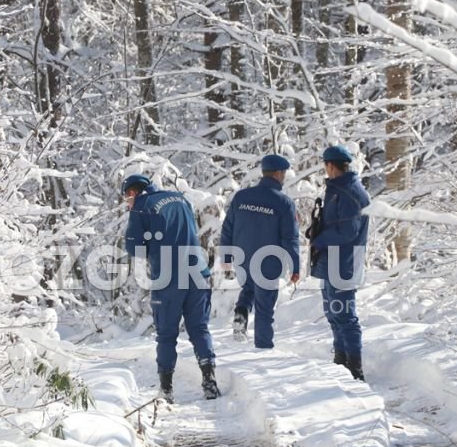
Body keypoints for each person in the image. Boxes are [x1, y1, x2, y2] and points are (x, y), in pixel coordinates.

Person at [122, 174, 220, 403]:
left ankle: (166, 390)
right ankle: (209, 382)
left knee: (166, 335)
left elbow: (134, 247)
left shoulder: (141, 206)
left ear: (134, 192)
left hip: (168, 278)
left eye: (127, 196)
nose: (127, 201)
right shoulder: (180, 198)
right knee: (200, 329)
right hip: (198, 272)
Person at [219, 154, 300, 349]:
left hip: (242, 258)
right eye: (284, 173)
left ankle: (241, 312)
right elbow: (290, 238)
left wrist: (226, 255)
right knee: (264, 310)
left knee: (248, 288)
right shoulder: (284, 203)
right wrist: (296, 266)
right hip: (268, 262)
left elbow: (227, 227)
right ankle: (263, 350)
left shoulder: (241, 196)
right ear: (278, 173)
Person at [309, 146, 371, 381]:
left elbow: (347, 231)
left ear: (331, 166)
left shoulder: (349, 192)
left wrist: (320, 239)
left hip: (343, 262)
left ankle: (354, 367)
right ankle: (341, 360)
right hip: (332, 260)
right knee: (334, 312)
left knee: (345, 314)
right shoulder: (338, 189)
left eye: (325, 165)